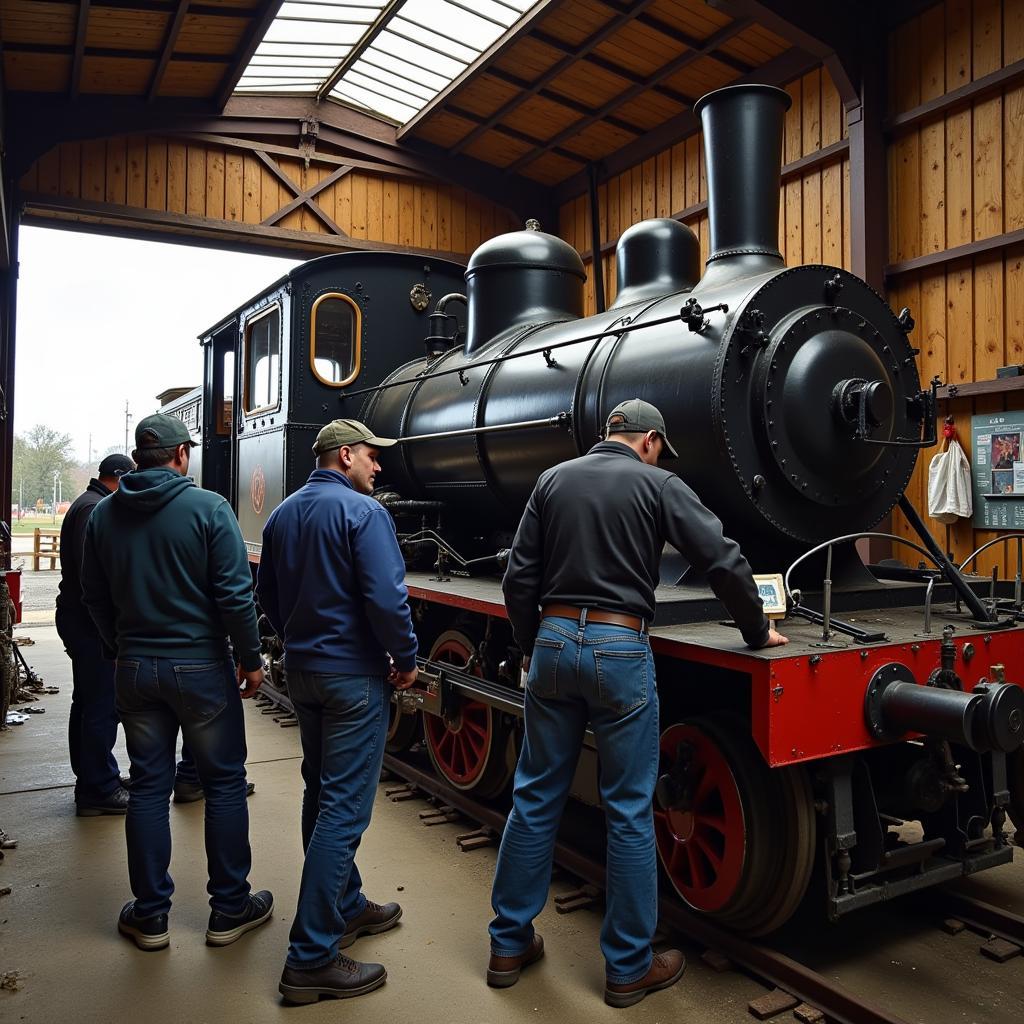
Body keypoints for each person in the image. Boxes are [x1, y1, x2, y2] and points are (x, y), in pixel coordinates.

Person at [490, 399, 788, 1008]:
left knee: (534, 794)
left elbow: (518, 579)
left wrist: (530, 647)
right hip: (619, 647)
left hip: (551, 642)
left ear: (607, 435)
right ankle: (628, 967)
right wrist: (758, 632)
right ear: (649, 440)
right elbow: (722, 559)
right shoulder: (658, 485)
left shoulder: (552, 480)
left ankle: (508, 944)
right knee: (627, 808)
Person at [82, 413, 272, 953]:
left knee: (147, 786)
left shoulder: (103, 516)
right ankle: (230, 909)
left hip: (136, 669)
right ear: (181, 455)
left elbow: (92, 597)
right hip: (202, 670)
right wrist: (251, 657)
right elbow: (236, 596)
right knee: (224, 784)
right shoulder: (209, 508)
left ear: (140, 458)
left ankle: (151, 917)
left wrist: (120, 648)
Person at [257, 418, 418, 1005]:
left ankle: (345, 904)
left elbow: (267, 596)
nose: (378, 467)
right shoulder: (364, 514)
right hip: (353, 677)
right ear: (344, 454)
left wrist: (298, 641)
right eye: (372, 457)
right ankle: (311, 957)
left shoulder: (281, 515)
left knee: (318, 793)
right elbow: (384, 595)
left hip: (304, 673)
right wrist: (405, 656)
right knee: (343, 812)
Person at [56, 453, 135, 816]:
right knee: (102, 705)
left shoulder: (87, 503)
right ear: (118, 478)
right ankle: (97, 788)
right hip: (89, 625)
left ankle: (93, 776)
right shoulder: (94, 511)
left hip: (78, 619)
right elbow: (96, 577)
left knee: (87, 702)